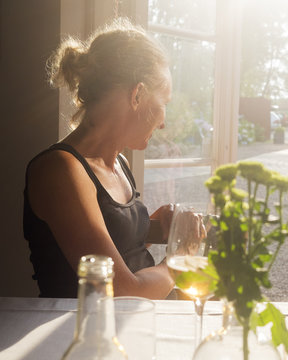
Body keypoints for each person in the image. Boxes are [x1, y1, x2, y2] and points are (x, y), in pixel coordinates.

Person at [23, 19, 175, 299]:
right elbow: (119, 291)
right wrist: (180, 261)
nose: (164, 121)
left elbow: (118, 244)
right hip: (87, 329)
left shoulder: (119, 164)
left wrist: (160, 228)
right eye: (164, 101)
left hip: (136, 322)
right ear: (138, 94)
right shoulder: (59, 170)